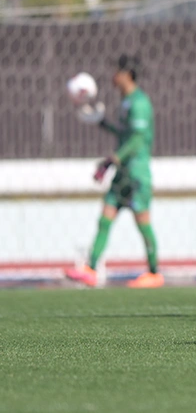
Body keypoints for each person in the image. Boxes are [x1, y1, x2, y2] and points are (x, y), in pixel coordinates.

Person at [65, 54, 163, 288]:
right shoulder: (126, 102)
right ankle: (90, 269)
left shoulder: (139, 103)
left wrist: (113, 159)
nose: (113, 77)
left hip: (137, 174)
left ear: (127, 75)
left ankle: (154, 273)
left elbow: (138, 139)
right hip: (122, 174)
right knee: (105, 219)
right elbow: (125, 134)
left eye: (117, 73)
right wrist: (100, 121)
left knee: (143, 223)